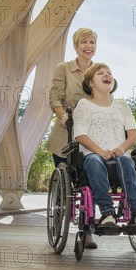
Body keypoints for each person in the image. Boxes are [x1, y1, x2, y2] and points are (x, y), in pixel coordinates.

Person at [73, 63, 136, 226]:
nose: (107, 75)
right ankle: (107, 212)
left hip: (119, 154)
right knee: (95, 162)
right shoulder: (84, 105)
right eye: (100, 73)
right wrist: (101, 151)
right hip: (93, 154)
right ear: (90, 83)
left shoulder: (122, 106)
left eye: (109, 73)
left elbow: (133, 135)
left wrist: (122, 148)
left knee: (126, 160)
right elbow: (80, 135)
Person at [48, 27, 98, 248]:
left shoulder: (99, 70)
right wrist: (63, 115)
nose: (88, 46)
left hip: (90, 132)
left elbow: (106, 96)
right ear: (76, 46)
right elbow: (55, 97)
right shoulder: (64, 69)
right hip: (66, 132)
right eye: (84, 42)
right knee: (64, 180)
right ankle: (61, 217)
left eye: (92, 42)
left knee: (90, 179)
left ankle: (87, 231)